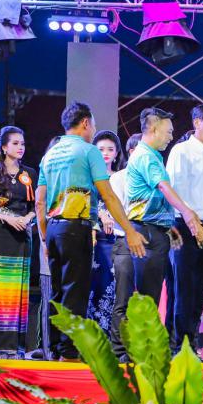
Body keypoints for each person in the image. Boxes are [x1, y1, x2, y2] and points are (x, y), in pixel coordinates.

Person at [36, 102, 145, 360]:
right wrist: (129, 230)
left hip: (53, 228)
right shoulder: (88, 151)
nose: (94, 129)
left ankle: (55, 349)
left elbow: (40, 201)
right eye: (93, 124)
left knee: (58, 291)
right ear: (85, 123)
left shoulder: (50, 155)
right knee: (75, 290)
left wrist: (44, 237)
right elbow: (108, 194)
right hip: (76, 226)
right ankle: (69, 353)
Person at [125, 107, 203, 321]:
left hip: (155, 231)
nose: (171, 137)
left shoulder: (152, 156)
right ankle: (140, 343)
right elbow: (164, 187)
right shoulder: (146, 156)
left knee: (153, 297)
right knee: (147, 300)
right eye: (169, 132)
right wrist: (187, 213)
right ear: (154, 129)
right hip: (147, 232)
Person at [166, 103, 203, 349]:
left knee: (200, 289)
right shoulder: (181, 152)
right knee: (183, 289)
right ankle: (178, 346)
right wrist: (195, 227)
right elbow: (174, 193)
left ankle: (191, 344)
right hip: (183, 227)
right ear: (197, 122)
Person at [0, 126, 37, 357]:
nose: (20, 147)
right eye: (15, 143)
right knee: (0, 290)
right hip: (0, 234)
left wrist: (27, 219)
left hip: (22, 236)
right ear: (3, 147)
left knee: (18, 291)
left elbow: (35, 206)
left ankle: (17, 348)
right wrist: (8, 217)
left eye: (22, 143)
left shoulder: (29, 173)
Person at [88, 130, 124, 330]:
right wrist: (102, 214)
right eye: (101, 149)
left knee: (117, 287)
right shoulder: (89, 177)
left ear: (117, 153)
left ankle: (113, 335)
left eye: (110, 149)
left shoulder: (122, 177)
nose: (106, 153)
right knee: (96, 285)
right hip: (96, 239)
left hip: (118, 238)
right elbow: (86, 201)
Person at [109, 134, 142, 352]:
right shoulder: (119, 178)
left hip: (149, 242)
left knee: (145, 300)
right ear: (131, 152)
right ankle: (119, 350)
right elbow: (118, 210)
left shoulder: (154, 177)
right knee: (123, 298)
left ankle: (142, 348)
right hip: (125, 241)